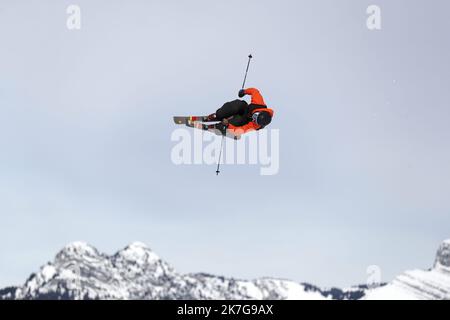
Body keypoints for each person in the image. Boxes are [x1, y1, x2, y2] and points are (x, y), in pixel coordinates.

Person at [203, 88, 274, 136]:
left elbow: (241, 130)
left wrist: (228, 125)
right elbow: (255, 91)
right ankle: (219, 115)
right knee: (237, 105)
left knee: (237, 121)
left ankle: (220, 127)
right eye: (255, 116)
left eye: (255, 121)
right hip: (244, 108)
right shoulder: (259, 104)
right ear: (259, 112)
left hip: (244, 120)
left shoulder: (254, 125)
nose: (253, 118)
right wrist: (244, 91)